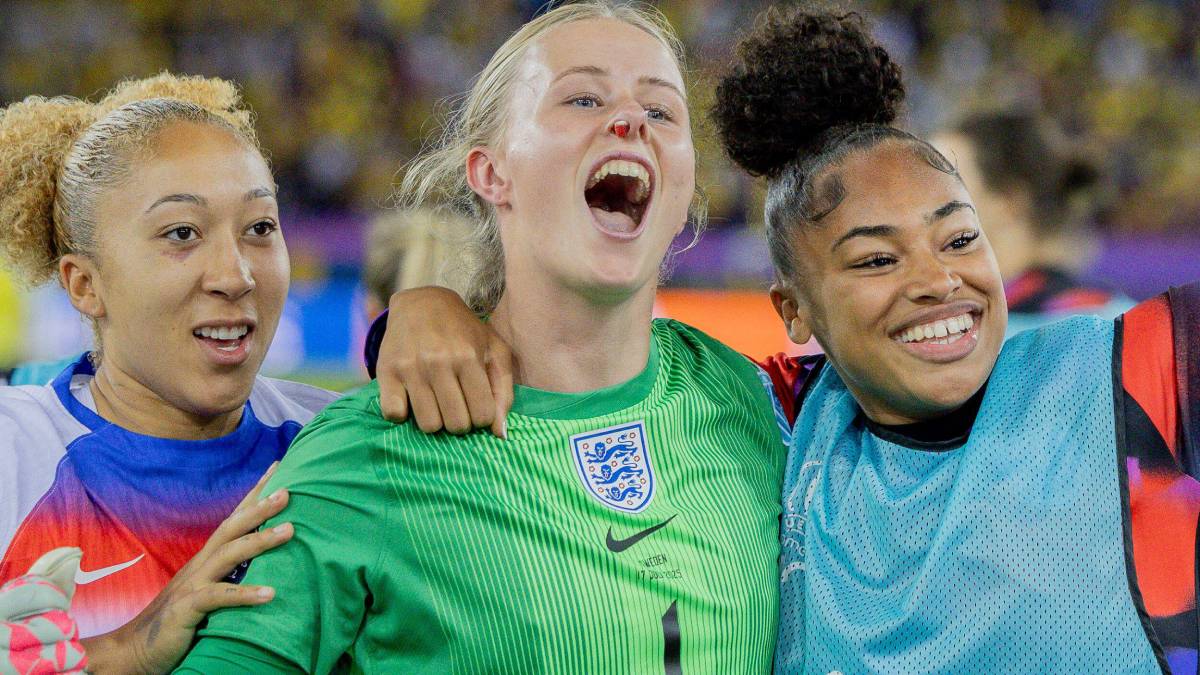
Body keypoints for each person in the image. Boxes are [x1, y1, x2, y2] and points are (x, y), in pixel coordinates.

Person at [371, 6, 1200, 673]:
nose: (937, 280)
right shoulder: (773, 417)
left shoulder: (1138, 367)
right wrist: (425, 311)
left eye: (958, 238)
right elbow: (576, 366)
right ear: (795, 311)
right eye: (876, 257)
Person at [175, 2, 788, 672]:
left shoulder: (758, 405)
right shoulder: (372, 448)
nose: (630, 119)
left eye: (662, 111)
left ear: (686, 188)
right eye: (582, 97)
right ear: (490, 173)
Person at [0, 73, 341, 673]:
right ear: (85, 284)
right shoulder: (12, 456)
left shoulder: (334, 443)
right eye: (182, 233)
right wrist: (124, 649)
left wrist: (425, 313)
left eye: (260, 228)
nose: (235, 276)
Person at [931, 110, 1134, 336]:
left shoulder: (1100, 328)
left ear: (1007, 202)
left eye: (942, 180)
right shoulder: (1124, 318)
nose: (916, 199)